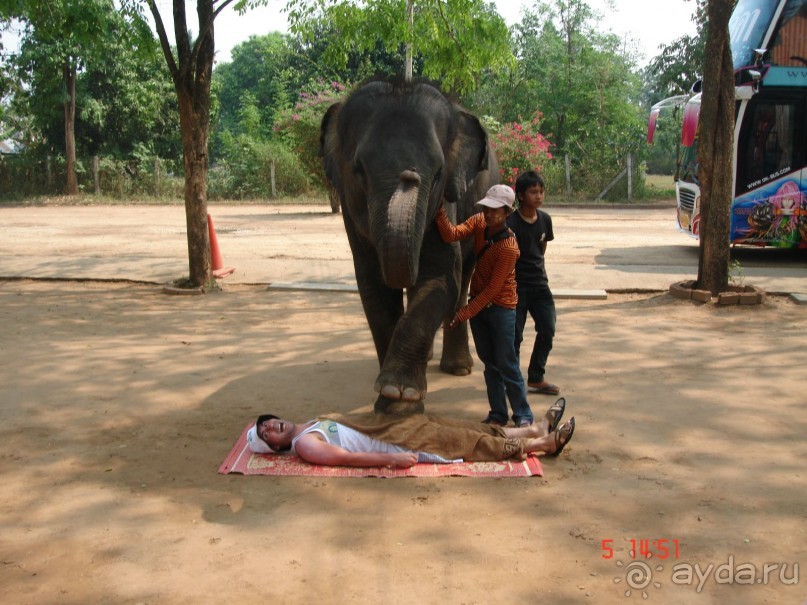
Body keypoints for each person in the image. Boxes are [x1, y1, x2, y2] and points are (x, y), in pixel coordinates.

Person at [434, 184, 534, 427]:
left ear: (508, 213)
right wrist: (439, 211)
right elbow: (451, 235)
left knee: (507, 364)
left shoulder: (509, 247)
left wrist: (463, 313)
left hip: (501, 308)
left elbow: (492, 290)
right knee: (491, 365)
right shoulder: (480, 222)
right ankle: (498, 414)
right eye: (486, 208)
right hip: (480, 307)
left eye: (495, 210)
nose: (488, 214)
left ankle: (523, 415)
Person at [246, 399, 574, 468]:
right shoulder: (305, 444)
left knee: (455, 425)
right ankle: (541, 444)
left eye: (268, 421)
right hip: (396, 441)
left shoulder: (309, 422)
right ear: (275, 447)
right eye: (266, 434)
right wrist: (390, 460)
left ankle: (533, 427)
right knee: (458, 442)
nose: (270, 426)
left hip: (394, 426)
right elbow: (346, 457)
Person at [508, 171, 560, 396]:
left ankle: (536, 377)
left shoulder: (545, 219)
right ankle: (513, 381)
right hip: (517, 288)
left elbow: (542, 249)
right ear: (520, 195)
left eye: (541, 191)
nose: (538, 196)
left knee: (547, 329)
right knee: (514, 337)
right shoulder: (510, 223)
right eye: (533, 192)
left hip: (540, 286)